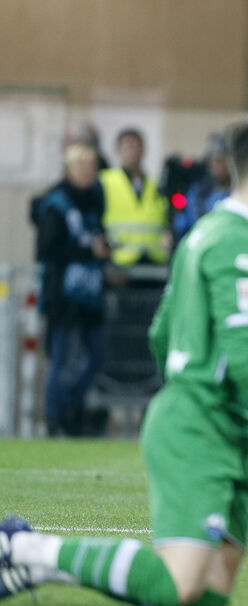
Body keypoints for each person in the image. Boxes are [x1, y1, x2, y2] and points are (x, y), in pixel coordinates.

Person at [1, 110, 248, 606]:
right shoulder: (238, 242)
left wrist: (188, 376)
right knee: (179, 586)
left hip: (226, 426)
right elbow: (243, 352)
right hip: (199, 424)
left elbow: (161, 331)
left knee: (210, 598)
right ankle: (22, 545)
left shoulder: (210, 232)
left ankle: (31, 566)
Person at [31, 143, 110, 436]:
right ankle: (55, 416)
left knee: (98, 353)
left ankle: (72, 407)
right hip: (62, 295)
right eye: (83, 166)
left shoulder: (95, 200)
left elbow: (96, 235)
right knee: (61, 358)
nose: (89, 172)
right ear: (69, 168)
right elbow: (47, 249)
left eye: (93, 166)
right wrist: (88, 250)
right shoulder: (57, 202)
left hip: (90, 292)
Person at [99, 128, 171, 266]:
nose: (133, 151)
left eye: (137, 147)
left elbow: (164, 219)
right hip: (119, 260)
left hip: (154, 259)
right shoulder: (106, 181)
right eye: (128, 147)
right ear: (118, 151)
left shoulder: (155, 185)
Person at [172, 133, 232, 241]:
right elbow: (185, 224)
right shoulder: (198, 192)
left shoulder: (239, 193)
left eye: (223, 161)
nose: (219, 166)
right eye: (216, 161)